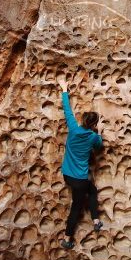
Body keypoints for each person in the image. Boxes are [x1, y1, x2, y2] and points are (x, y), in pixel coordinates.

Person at [58, 75, 103, 250]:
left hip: (67, 175)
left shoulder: (74, 129)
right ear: (94, 125)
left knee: (92, 190)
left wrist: (64, 88)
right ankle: (67, 238)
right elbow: (99, 146)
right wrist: (99, 132)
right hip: (80, 179)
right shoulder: (92, 137)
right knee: (76, 208)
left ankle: (96, 219)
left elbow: (67, 110)